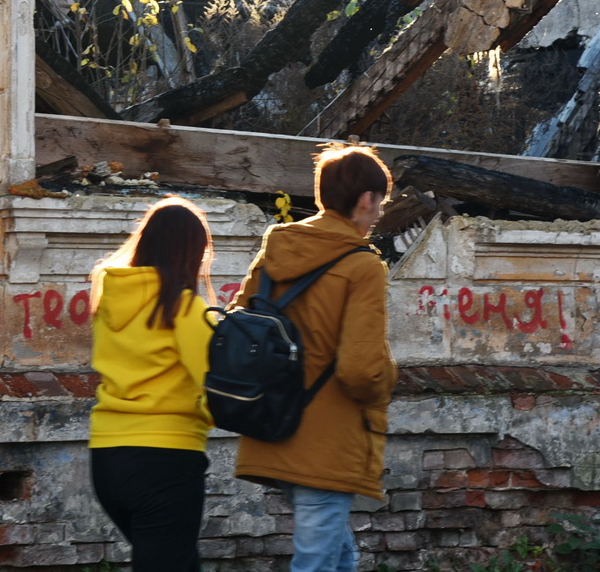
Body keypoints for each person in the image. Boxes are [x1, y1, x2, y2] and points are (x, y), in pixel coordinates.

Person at [233, 145, 398, 572]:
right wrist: (387, 381)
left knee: (339, 558)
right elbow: (361, 370)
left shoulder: (277, 248)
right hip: (325, 443)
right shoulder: (362, 266)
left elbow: (238, 325)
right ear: (366, 199)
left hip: (270, 427)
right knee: (317, 563)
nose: (380, 212)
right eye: (380, 201)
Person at [88, 195, 217, 572]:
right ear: (191, 253)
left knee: (177, 561)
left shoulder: (109, 299)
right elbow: (214, 383)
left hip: (106, 457)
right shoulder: (184, 307)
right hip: (166, 457)